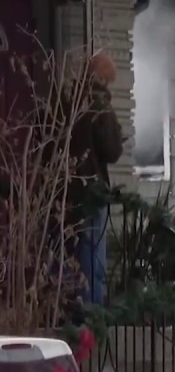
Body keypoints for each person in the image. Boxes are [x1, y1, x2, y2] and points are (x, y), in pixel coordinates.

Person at [68, 53, 124, 307]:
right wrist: (117, 133)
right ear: (104, 78)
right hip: (93, 189)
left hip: (68, 190)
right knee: (93, 253)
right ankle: (93, 308)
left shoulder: (69, 100)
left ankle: (74, 304)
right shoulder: (100, 104)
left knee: (74, 250)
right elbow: (111, 150)